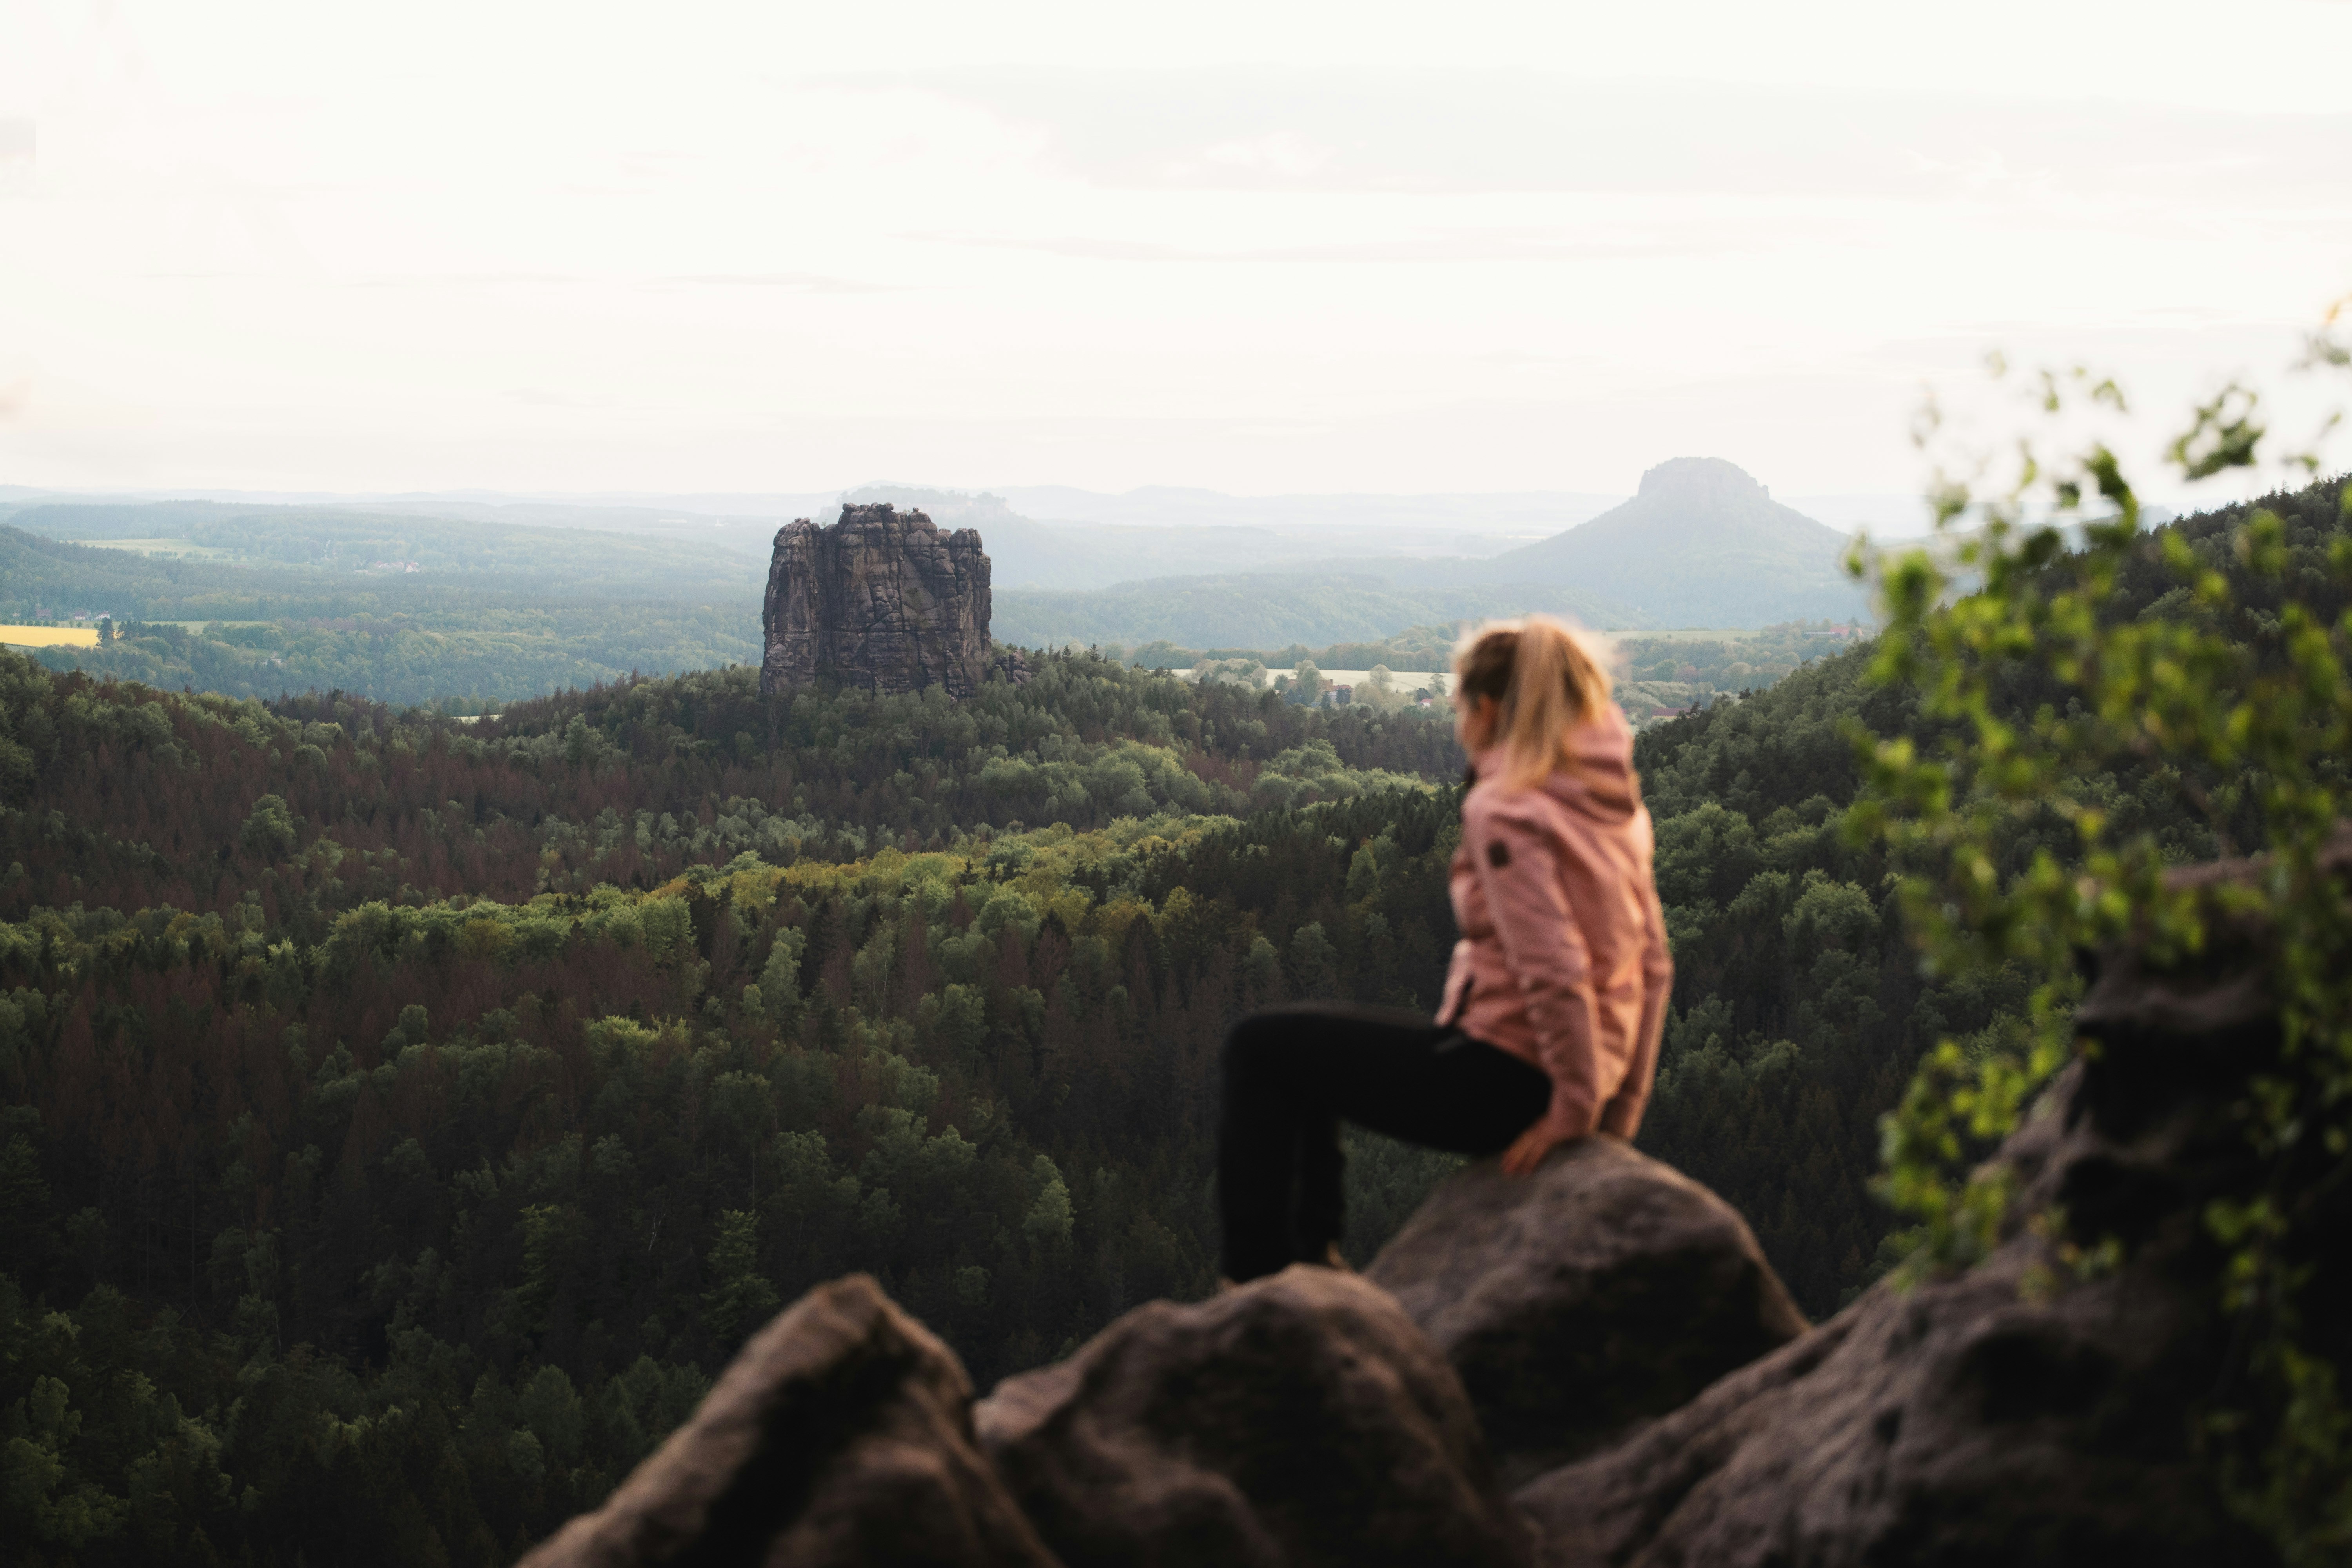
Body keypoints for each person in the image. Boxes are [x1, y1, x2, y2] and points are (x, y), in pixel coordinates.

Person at [1216, 616, 1674, 1282]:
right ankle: (1309, 1264)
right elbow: (1653, 967)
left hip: (1506, 1080)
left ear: (1488, 711)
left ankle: (1265, 1284)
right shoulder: (1617, 810)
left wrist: (1571, 1112)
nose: (1460, 723)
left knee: (1259, 1049)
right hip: (1568, 1073)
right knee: (1301, 1057)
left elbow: (1554, 969)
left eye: (1462, 707)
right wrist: (1616, 1112)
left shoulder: (1509, 808)